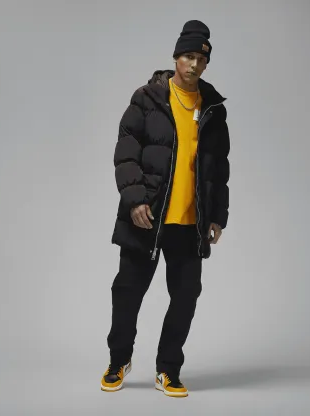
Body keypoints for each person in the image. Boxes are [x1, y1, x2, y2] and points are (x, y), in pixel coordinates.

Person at [101, 20, 230, 398]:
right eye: (188, 56)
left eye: (201, 60)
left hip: (190, 223)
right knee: (127, 292)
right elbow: (126, 152)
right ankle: (118, 359)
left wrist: (217, 216)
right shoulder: (148, 98)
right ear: (176, 57)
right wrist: (135, 199)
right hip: (147, 217)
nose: (194, 65)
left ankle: (168, 369)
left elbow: (219, 168)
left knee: (187, 296)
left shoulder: (213, 109)